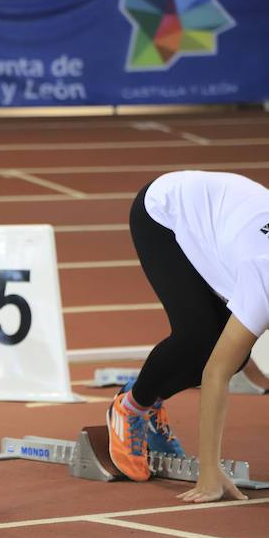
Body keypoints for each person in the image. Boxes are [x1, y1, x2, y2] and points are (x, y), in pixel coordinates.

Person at [105, 170, 268, 503]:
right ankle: (132, 407)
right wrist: (210, 472)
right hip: (166, 211)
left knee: (233, 357)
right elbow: (215, 373)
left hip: (227, 216)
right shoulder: (263, 279)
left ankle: (152, 400)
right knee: (200, 339)